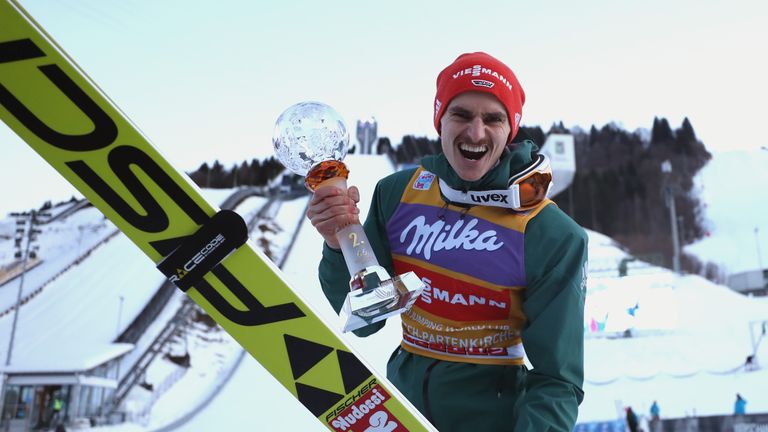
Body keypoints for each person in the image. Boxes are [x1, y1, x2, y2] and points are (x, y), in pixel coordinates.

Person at [308, 52, 588, 431]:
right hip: (400, 416)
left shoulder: (550, 233)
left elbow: (557, 380)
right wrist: (338, 242)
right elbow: (365, 320)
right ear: (440, 120)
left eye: (493, 118)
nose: (476, 133)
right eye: (461, 115)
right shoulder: (398, 193)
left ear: (511, 130)